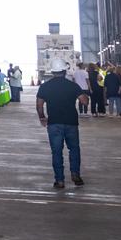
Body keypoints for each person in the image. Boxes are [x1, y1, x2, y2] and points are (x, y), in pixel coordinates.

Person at [36, 58, 91, 189]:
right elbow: (84, 102)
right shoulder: (72, 86)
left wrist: (42, 117)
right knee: (74, 149)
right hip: (71, 123)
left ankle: (59, 180)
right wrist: (86, 96)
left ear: (53, 72)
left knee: (56, 152)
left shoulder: (45, 86)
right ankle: (75, 175)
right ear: (64, 71)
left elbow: (39, 105)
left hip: (54, 123)